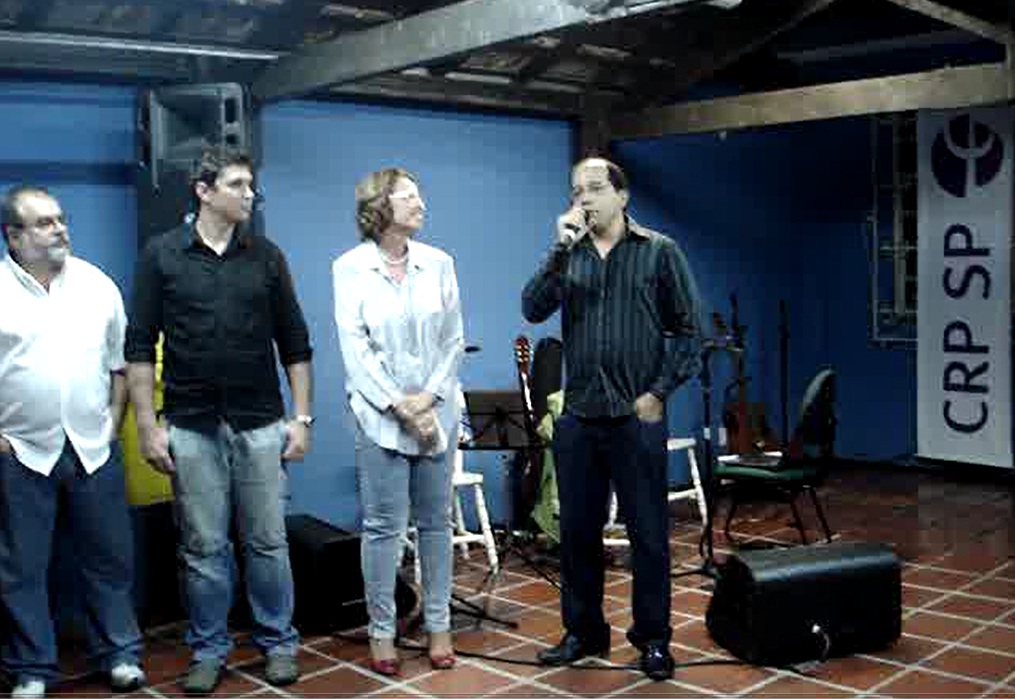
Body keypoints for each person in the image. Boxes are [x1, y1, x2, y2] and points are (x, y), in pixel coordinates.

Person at [125, 146, 313, 696]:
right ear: (203, 191)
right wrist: (147, 426)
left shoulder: (267, 257)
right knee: (203, 548)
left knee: (268, 541)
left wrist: (301, 418)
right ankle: (208, 649)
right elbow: (140, 345)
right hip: (190, 425)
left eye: (250, 184)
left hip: (261, 422)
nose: (250, 194)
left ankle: (278, 642)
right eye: (237, 185)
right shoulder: (161, 255)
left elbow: (295, 343)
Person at [522, 157, 702, 681]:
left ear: (622, 196)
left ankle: (653, 639)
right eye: (577, 190)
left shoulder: (659, 251)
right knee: (578, 533)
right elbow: (532, 308)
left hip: (635, 416)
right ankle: (583, 632)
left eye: (595, 188)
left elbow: (689, 330)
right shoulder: (570, 255)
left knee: (648, 534)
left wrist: (658, 393)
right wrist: (559, 249)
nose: (584, 199)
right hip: (579, 415)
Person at [0, 185, 146, 698]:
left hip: (93, 448)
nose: (60, 229)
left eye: (60, 219)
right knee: (21, 568)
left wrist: (112, 420)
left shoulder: (95, 284)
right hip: (20, 451)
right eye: (44, 223)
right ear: (13, 236)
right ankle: (31, 669)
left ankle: (119, 654)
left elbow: (121, 363)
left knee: (110, 558)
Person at [332, 167, 463, 677]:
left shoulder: (440, 263)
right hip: (380, 418)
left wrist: (428, 400)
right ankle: (382, 631)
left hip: (437, 413)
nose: (420, 203)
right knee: (384, 527)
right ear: (379, 207)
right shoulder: (349, 268)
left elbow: (453, 339)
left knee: (435, 523)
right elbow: (355, 347)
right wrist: (399, 406)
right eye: (409, 196)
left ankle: (439, 625)